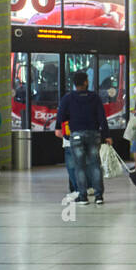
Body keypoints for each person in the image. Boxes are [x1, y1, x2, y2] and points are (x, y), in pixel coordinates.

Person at [55, 69, 111, 205]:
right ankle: (98, 196)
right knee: (95, 165)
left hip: (76, 135)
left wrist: (58, 129)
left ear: (74, 84)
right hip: (93, 134)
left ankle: (83, 196)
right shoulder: (95, 97)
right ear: (86, 82)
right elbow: (102, 118)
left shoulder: (68, 98)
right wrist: (107, 135)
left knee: (79, 166)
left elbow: (61, 115)